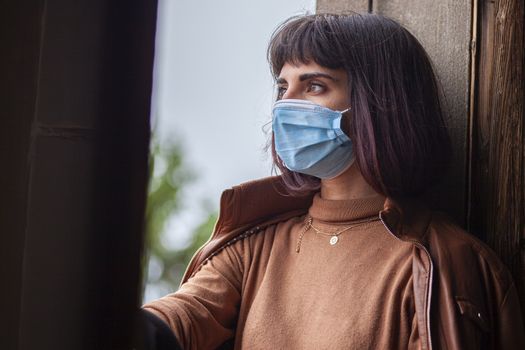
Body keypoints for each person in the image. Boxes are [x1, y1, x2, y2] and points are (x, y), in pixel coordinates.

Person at [143, 13, 525, 349]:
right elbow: (183, 316)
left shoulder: (448, 263)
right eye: (282, 87)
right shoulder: (251, 247)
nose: (285, 105)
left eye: (314, 86)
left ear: (379, 104)